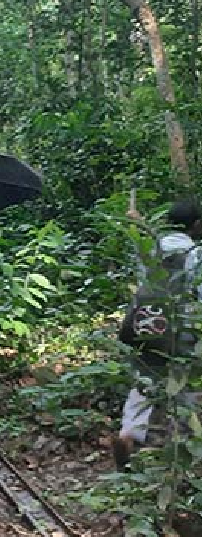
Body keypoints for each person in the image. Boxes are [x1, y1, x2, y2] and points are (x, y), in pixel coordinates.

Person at [114, 199, 202, 469]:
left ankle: (128, 433)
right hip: (181, 327)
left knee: (144, 381)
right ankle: (182, 446)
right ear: (196, 225)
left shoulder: (150, 247)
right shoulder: (196, 254)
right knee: (185, 384)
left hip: (147, 324)